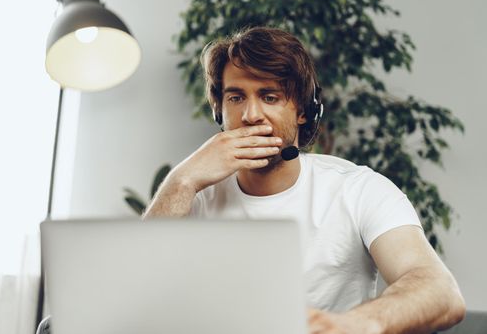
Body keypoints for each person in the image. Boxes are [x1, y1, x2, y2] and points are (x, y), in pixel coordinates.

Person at [143, 27, 466, 333]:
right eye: (236, 97)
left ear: (302, 110)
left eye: (270, 97)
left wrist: (352, 325)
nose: (251, 115)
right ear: (219, 112)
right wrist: (182, 180)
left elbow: (439, 291)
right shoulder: (192, 196)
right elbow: (135, 291)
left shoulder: (358, 189)